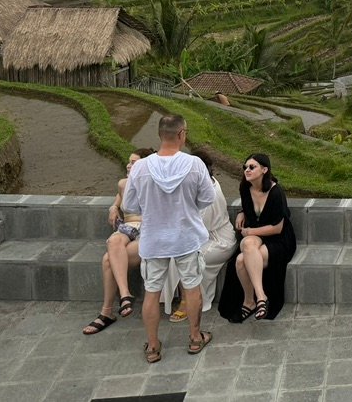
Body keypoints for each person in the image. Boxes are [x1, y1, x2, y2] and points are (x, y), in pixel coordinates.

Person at [123, 114, 215, 363]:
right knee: (192, 288)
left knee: (152, 292)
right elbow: (207, 198)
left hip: (154, 239)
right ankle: (195, 337)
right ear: (182, 134)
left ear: (160, 134)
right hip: (185, 236)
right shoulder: (194, 164)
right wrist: (186, 206)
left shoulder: (141, 168)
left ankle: (153, 346)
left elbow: (130, 204)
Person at [82, 147, 154, 334]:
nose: (129, 166)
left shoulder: (152, 182)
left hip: (147, 231)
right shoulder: (124, 184)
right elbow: (119, 197)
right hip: (126, 229)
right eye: (129, 162)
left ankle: (106, 312)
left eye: (134, 163)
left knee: (108, 260)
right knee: (113, 243)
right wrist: (113, 207)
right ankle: (125, 294)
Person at [217, 153, 297, 322]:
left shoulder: (276, 192)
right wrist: (241, 212)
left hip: (279, 238)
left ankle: (251, 301)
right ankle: (259, 298)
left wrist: (250, 232)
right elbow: (248, 208)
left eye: (252, 167)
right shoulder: (245, 188)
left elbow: (278, 228)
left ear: (264, 170)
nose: (247, 170)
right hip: (256, 237)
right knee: (245, 247)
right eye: (245, 167)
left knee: (240, 260)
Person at [163, 149, 237, 321]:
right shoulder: (202, 184)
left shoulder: (210, 193)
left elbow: (197, 227)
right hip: (201, 236)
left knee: (186, 258)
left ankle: (186, 301)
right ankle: (182, 296)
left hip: (220, 240)